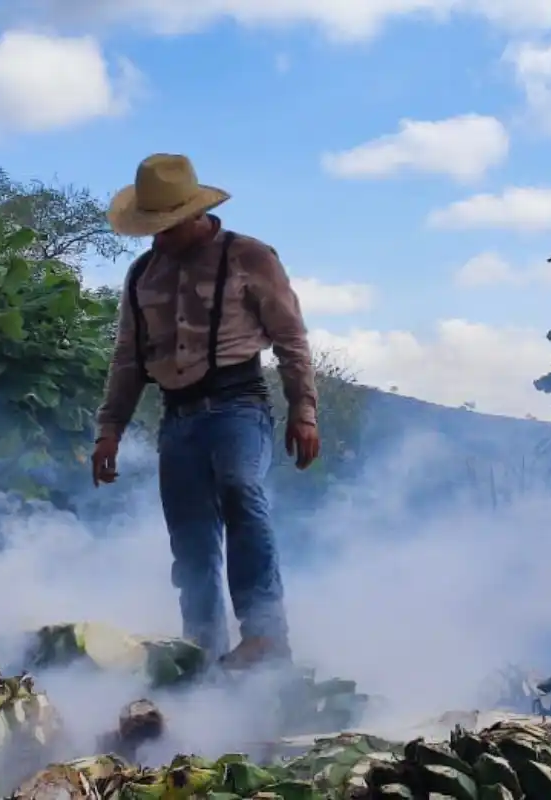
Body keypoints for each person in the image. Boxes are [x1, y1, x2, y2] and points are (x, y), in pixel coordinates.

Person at [91, 153, 321, 670]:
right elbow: (127, 358)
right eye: (151, 229)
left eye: (165, 228)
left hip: (240, 404)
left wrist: (303, 412)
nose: (157, 239)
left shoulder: (250, 256)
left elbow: (291, 340)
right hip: (178, 417)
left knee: (242, 491)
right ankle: (201, 655)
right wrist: (110, 430)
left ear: (194, 215)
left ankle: (266, 637)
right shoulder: (141, 275)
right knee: (191, 542)